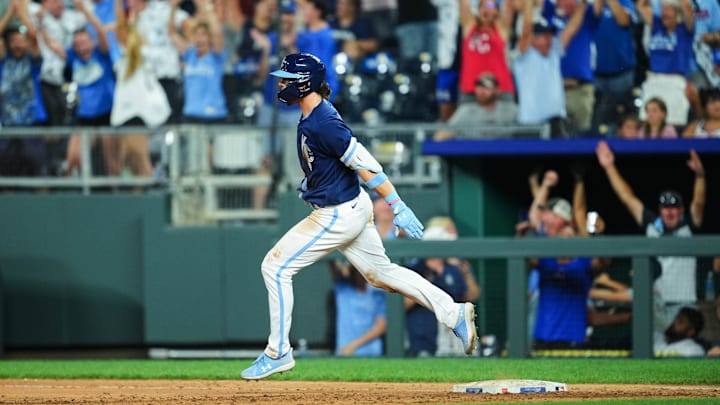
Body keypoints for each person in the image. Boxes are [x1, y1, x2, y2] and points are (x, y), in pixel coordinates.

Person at [240, 52, 477, 379]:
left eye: (288, 79)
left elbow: (365, 164)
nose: (281, 84)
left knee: (275, 266)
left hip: (339, 214)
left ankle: (277, 352)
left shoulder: (324, 121)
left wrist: (396, 204)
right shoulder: (313, 114)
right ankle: (454, 313)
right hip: (348, 206)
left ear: (305, 83)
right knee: (382, 274)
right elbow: (328, 161)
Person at [595, 140, 706, 332]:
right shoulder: (653, 225)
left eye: (674, 208)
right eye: (665, 208)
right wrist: (609, 167)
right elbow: (627, 198)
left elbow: (698, 202)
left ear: (680, 210)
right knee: (653, 352)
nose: (669, 212)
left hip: (683, 306)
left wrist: (700, 176)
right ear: (660, 211)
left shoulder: (687, 226)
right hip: (657, 302)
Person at [110, 0, 170, 184]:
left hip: (139, 110)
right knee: (128, 156)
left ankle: (149, 188)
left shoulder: (144, 48)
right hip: (127, 108)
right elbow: (120, 27)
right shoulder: (124, 50)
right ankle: (140, 189)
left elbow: (121, 25)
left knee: (138, 154)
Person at [513, 1, 586, 139]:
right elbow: (527, 29)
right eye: (544, 36)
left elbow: (571, 29)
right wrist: (528, 3)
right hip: (530, 123)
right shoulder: (523, 54)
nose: (549, 39)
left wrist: (582, 3)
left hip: (556, 120)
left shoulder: (554, 52)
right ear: (533, 39)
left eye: (550, 35)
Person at [434, 72, 518, 140]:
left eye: (486, 87)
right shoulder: (466, 111)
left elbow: (528, 131)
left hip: (504, 156)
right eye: (479, 86)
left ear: (497, 90)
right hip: (473, 157)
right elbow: (441, 135)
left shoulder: (510, 110)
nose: (481, 91)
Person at [328, 259, 387, 357]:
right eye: (356, 270)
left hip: (372, 353)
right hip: (345, 352)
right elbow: (332, 262)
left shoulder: (377, 293)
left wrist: (353, 346)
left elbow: (381, 325)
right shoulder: (343, 288)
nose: (360, 274)